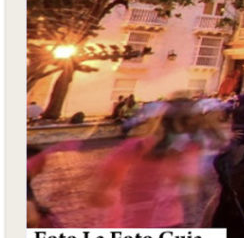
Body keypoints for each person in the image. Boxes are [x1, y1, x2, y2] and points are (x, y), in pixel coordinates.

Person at [87, 94, 213, 228]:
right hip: (153, 222)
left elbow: (98, 194)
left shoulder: (183, 148)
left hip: (148, 222)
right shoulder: (186, 150)